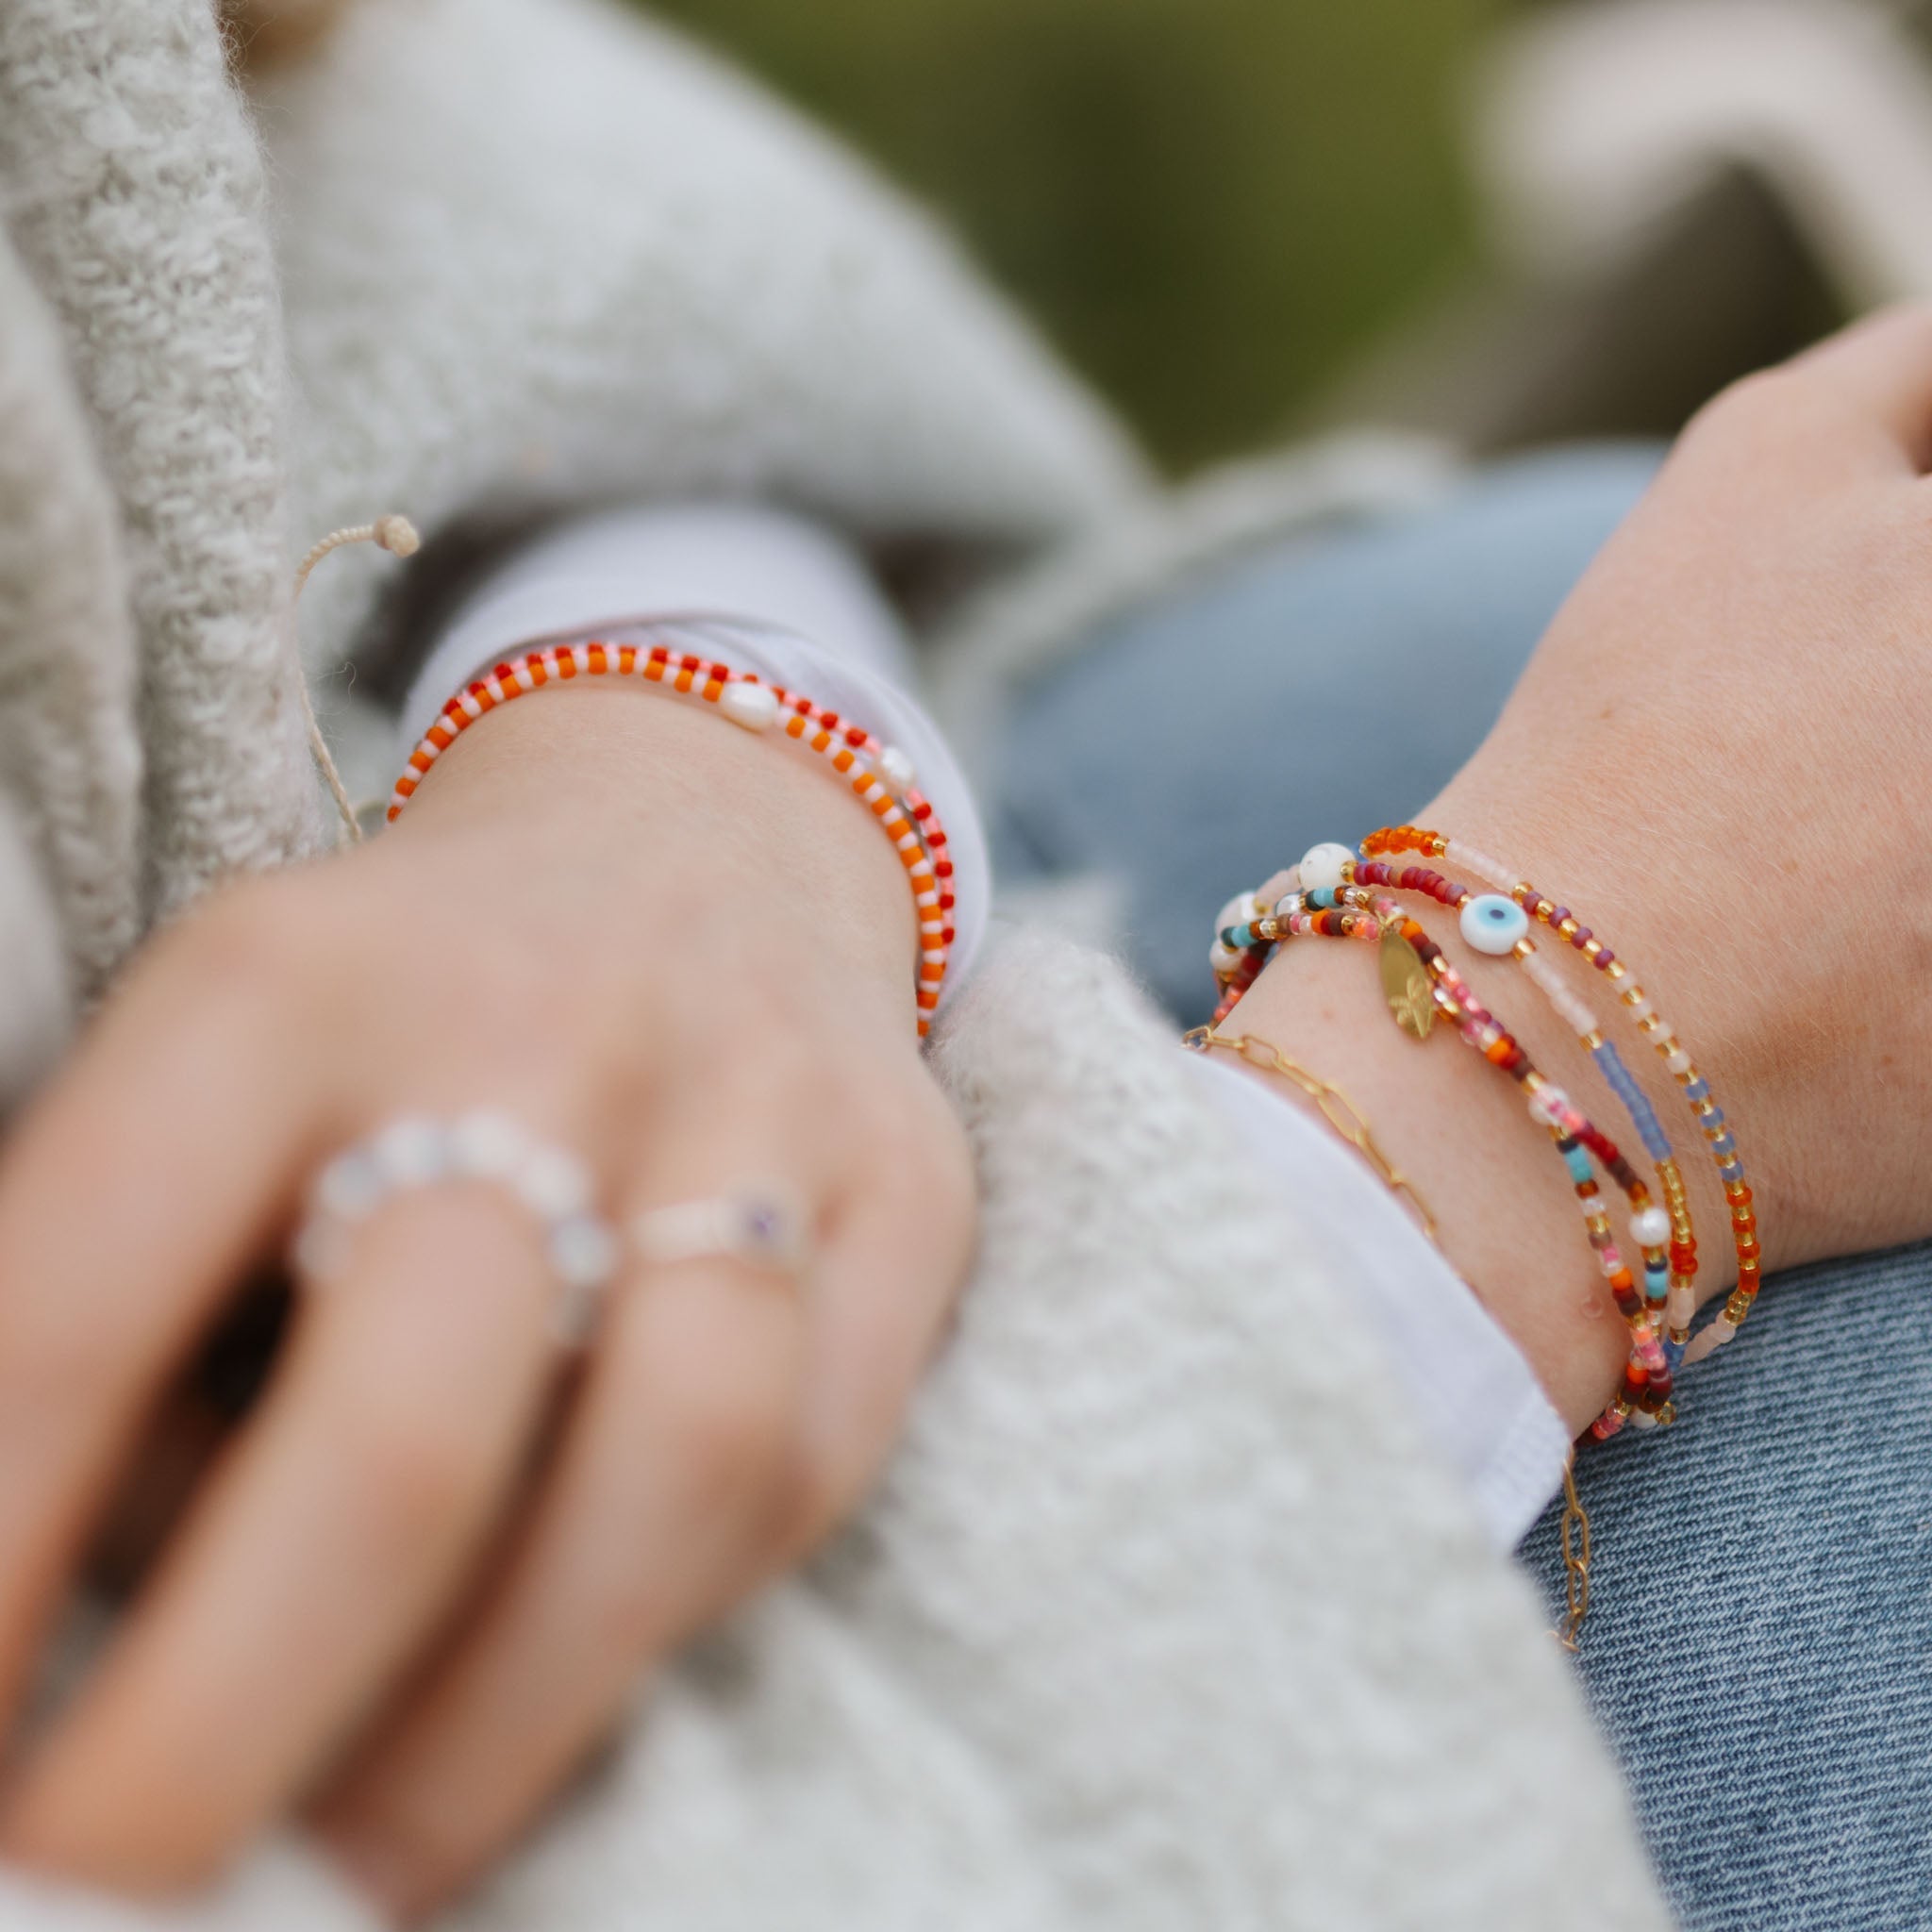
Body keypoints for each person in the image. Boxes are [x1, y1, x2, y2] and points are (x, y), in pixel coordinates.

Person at [0, 4, 1924, 1929]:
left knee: (1576, 580)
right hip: (945, 1725)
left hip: (634, 820)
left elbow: (392, 166)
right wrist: (1489, 1136)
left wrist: (674, 769)